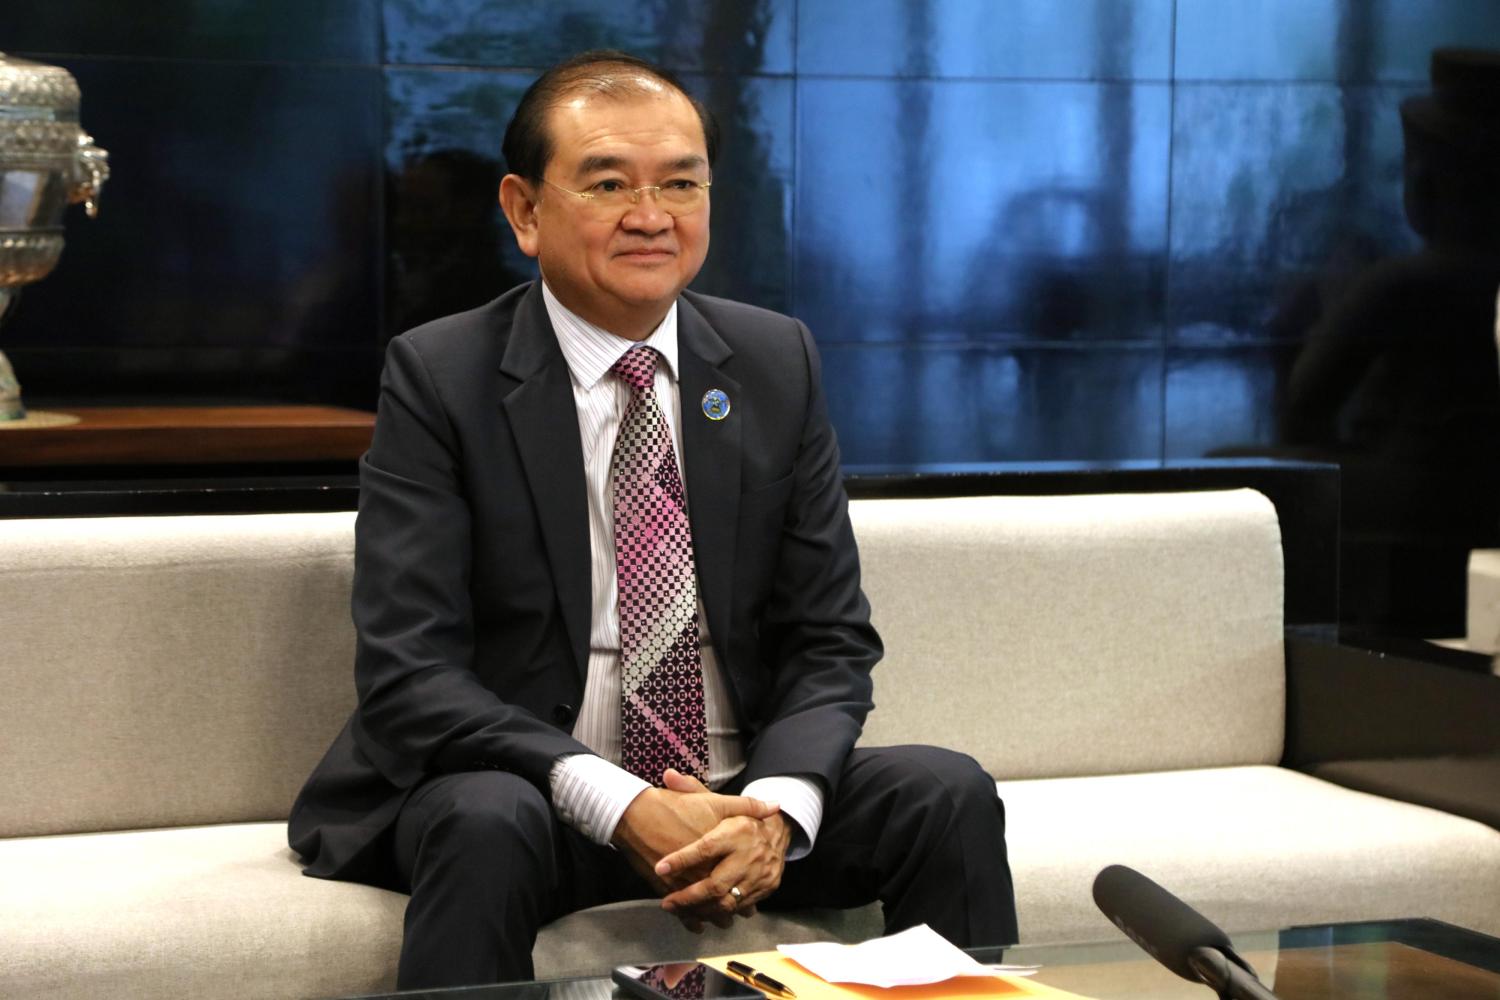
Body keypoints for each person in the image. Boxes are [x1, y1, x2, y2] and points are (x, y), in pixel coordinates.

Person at [288, 49, 1018, 990]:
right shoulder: (442, 375)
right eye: (608, 184)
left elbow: (829, 638)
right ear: (524, 210)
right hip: (541, 793)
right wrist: (620, 802)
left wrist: (774, 810)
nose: (651, 215)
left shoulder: (774, 360)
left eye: (681, 183)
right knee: (482, 821)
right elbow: (410, 672)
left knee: (942, 791)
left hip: (733, 792)